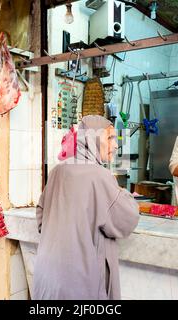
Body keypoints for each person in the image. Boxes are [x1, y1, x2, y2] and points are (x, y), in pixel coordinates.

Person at [32, 115, 140, 300]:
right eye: (110, 138)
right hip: (78, 282)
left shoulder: (57, 171)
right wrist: (122, 193)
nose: (115, 146)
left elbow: (41, 219)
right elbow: (127, 220)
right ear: (92, 139)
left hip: (46, 278)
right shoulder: (100, 176)